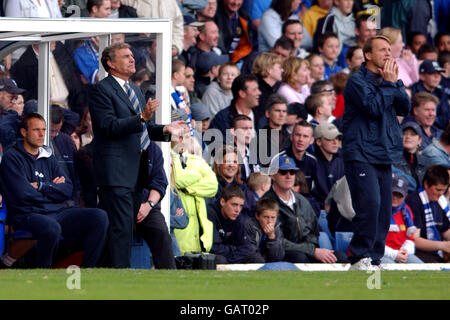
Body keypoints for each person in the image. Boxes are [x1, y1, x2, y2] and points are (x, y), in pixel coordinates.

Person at [88, 42, 187, 268]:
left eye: (132, 55)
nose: (132, 59)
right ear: (111, 64)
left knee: (124, 228)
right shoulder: (101, 90)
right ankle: (119, 277)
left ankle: (101, 273)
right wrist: (142, 117)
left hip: (136, 175)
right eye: (125, 56)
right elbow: (108, 126)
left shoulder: (134, 90)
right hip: (116, 174)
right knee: (121, 229)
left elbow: (143, 128)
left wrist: (165, 129)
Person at [0, 113, 108, 268]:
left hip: (56, 211)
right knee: (51, 227)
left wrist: (41, 186)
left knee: (99, 216)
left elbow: (67, 189)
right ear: (24, 132)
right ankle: (43, 271)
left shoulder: (48, 155)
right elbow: (22, 194)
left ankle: (87, 271)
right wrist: (52, 189)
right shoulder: (12, 158)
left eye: (44, 129)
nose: (41, 134)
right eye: (36, 130)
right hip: (28, 214)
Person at [342, 35, 411, 270]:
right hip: (360, 152)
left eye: (390, 50)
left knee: (383, 209)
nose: (388, 54)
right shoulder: (356, 82)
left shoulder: (389, 79)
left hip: (384, 152)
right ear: (368, 55)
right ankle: (358, 257)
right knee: (369, 204)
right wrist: (390, 84)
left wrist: (394, 82)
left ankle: (374, 258)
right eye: (383, 50)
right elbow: (373, 107)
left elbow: (405, 107)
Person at [262, 154, 348, 263]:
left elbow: (314, 230)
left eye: (292, 172)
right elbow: (278, 240)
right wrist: (312, 251)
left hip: (308, 251)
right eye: (283, 172)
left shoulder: (302, 200)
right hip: (282, 252)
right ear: (273, 175)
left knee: (340, 257)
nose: (288, 176)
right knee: (300, 258)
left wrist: (312, 249)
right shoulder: (266, 202)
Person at [172, 135, 218, 255]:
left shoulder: (198, 162)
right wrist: (197, 175)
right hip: (181, 232)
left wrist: (187, 189)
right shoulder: (171, 159)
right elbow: (177, 179)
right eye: (191, 152)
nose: (193, 156)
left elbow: (213, 186)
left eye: (195, 153)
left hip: (201, 236)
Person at [135, 140, 177, 269]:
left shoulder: (153, 149)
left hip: (147, 205)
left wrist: (148, 205)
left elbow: (160, 182)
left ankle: (170, 276)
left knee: (161, 231)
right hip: (122, 204)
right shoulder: (118, 145)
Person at [207, 184, 264, 264]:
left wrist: (234, 251)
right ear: (222, 202)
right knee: (220, 260)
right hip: (215, 255)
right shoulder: (210, 214)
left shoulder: (237, 217)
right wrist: (234, 249)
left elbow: (246, 247)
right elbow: (214, 248)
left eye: (241, 206)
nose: (238, 210)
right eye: (234, 205)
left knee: (257, 258)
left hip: (230, 254)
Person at [405, 165, 450, 263]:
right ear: (426, 184)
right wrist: (443, 245)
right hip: (420, 253)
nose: (441, 194)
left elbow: (445, 230)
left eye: (444, 190)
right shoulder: (414, 202)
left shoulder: (440, 202)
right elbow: (415, 240)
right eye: (438, 190)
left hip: (437, 251)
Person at [382, 175, 423, 264]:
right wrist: (395, 254)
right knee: (393, 269)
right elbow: (373, 243)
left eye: (399, 195)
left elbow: (410, 240)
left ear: (405, 196)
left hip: (401, 252)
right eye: (393, 193)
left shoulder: (407, 211)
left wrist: (406, 251)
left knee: (421, 267)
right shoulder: (378, 209)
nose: (395, 197)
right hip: (380, 253)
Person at [208, 74, 261, 140]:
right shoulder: (222, 119)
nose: (259, 93)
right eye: (254, 90)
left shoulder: (261, 115)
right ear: (242, 93)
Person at [410, 60, 449, 130]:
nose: (437, 76)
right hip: (416, 131)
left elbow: (445, 119)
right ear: (422, 76)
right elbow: (411, 117)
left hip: (437, 131)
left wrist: (429, 119)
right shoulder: (412, 92)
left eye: (439, 73)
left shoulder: (441, 92)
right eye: (432, 73)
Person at [214, 0, 254, 68]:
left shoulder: (244, 17)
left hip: (236, 62)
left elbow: (246, 47)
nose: (236, 2)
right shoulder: (214, 16)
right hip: (218, 62)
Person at [313, 122, 344, 208]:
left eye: (337, 138)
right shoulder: (311, 161)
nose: (335, 142)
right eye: (330, 138)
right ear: (318, 141)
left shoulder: (344, 159)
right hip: (318, 211)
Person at [393, 121, 431, 192]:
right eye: (404, 134)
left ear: (420, 140)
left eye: (413, 134)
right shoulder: (393, 159)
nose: (408, 137)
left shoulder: (427, 162)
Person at [244, 197, 285, 262]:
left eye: (273, 217)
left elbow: (277, 257)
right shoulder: (249, 226)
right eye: (266, 217)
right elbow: (250, 252)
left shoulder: (276, 227)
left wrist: (271, 237)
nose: (269, 221)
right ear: (257, 216)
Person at [251, 52, 284, 124]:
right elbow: (261, 121)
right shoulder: (257, 90)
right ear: (269, 70)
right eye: (279, 68)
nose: (282, 70)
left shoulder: (269, 91)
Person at [0, 78, 25, 150]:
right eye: (11, 97)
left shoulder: (8, 116)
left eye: (15, 98)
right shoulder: (8, 117)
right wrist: (13, 113)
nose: (13, 102)